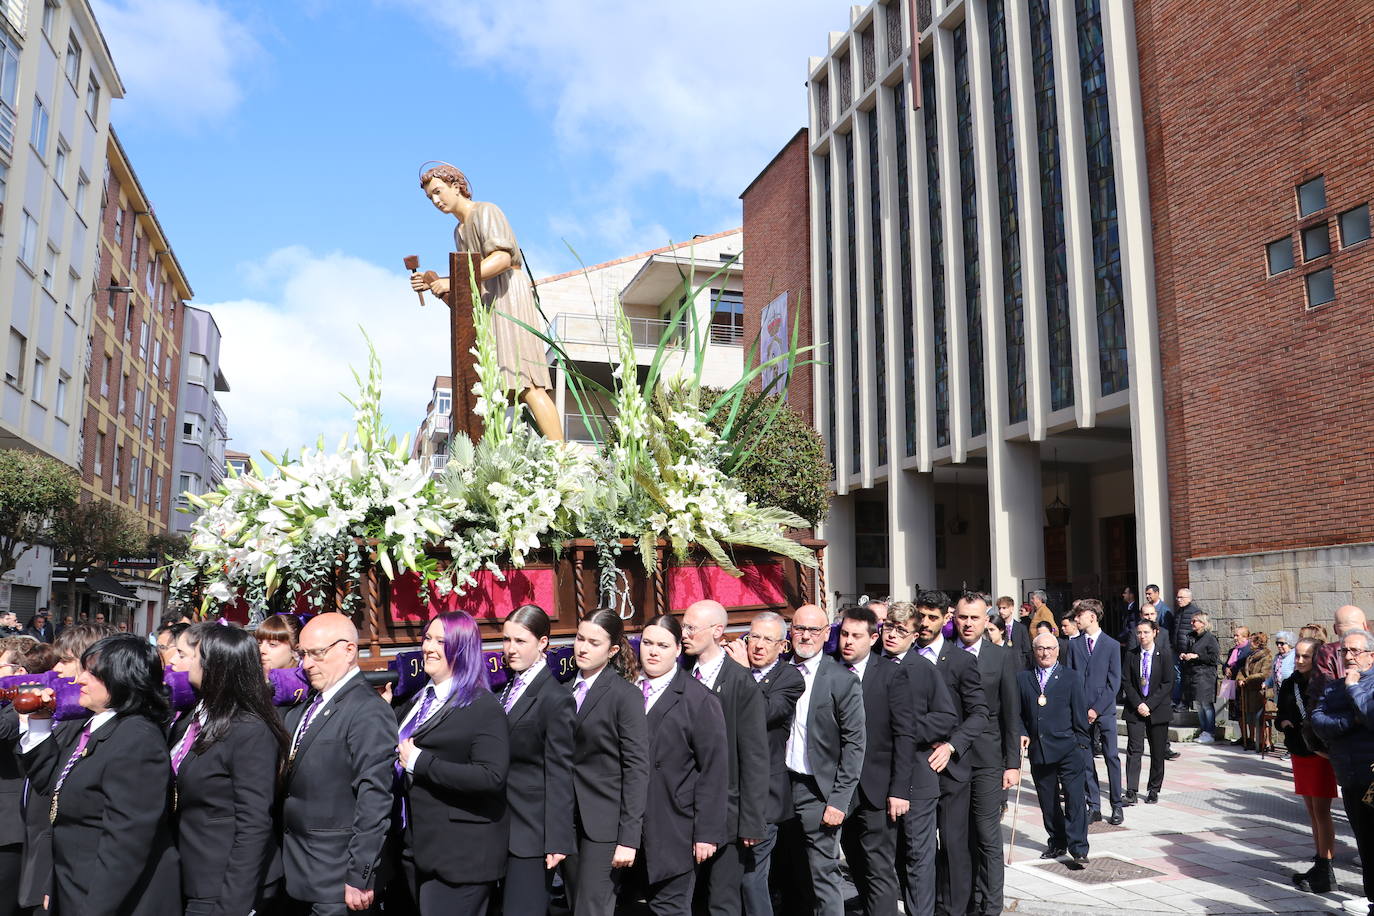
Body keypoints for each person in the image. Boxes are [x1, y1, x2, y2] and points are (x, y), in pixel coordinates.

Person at [11, 634, 181, 913]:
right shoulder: (96, 726)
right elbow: (53, 785)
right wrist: (40, 722)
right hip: (76, 884)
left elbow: (126, 845)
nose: (80, 679)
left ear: (123, 679)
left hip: (112, 898)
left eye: (93, 673)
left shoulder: (137, 739)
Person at [412, 162, 561, 440]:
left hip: (508, 296)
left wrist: (452, 281)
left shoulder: (486, 211)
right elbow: (469, 277)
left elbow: (502, 258)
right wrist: (435, 281)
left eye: (438, 191)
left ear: (456, 187)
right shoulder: (459, 231)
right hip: (488, 303)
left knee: (527, 383)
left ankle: (563, 458)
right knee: (494, 384)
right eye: (430, 197)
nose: (435, 200)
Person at [395, 611, 509, 915]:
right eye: (428, 638)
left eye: (441, 641)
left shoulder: (483, 706)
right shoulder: (419, 698)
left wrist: (421, 763)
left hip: (461, 857)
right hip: (419, 847)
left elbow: (491, 776)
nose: (429, 647)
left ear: (462, 649)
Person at [169, 622, 287, 915]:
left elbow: (254, 823)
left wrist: (233, 905)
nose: (173, 661)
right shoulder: (191, 719)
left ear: (214, 665)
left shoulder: (249, 730)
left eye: (185, 655)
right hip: (190, 876)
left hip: (224, 885)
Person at [281, 613, 397, 914]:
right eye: (302, 654)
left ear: (348, 650)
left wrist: (360, 873)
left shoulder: (367, 710)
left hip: (339, 878)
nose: (306, 664)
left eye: (317, 653)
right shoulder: (306, 708)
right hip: (300, 871)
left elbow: (375, 798)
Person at [4, 621, 116, 914]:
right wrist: (38, 719)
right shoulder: (66, 717)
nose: (56, 671)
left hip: (63, 867)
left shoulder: (85, 725)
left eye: (65, 661)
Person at [679, 599, 768, 915]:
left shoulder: (741, 681)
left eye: (692, 627)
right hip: (685, 810)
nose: (685, 634)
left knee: (723, 900)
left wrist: (752, 822)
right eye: (683, 626)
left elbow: (755, 756)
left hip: (728, 814)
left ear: (718, 631)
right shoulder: (681, 674)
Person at [635, 614, 728, 915]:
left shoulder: (698, 699)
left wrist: (706, 833)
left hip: (674, 826)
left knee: (670, 908)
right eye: (647, 643)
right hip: (629, 827)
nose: (652, 651)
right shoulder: (626, 691)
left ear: (677, 649)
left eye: (662, 645)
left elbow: (713, 770)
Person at [902, 590, 987, 916]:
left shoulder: (961, 661)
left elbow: (979, 713)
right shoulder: (900, 655)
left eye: (932, 617)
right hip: (911, 766)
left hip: (951, 768)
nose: (924, 623)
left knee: (953, 845)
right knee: (915, 847)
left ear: (945, 619)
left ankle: (954, 910)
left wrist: (952, 745)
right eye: (920, 616)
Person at [778, 604, 865, 916]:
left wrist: (839, 800)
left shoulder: (841, 680)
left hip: (818, 790)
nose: (806, 636)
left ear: (826, 634)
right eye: (800, 628)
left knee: (822, 873)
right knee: (787, 871)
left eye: (814, 630)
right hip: (780, 785)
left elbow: (855, 744)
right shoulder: (778, 670)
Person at [563, 608, 649, 914]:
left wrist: (629, 838)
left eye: (594, 642)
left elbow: (637, 768)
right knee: (575, 904)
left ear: (612, 650)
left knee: (592, 907)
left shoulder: (624, 695)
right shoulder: (563, 690)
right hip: (566, 820)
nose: (583, 648)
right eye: (579, 638)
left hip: (604, 824)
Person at [497, 605, 576, 915]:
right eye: (506, 640)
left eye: (520, 641)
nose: (510, 649)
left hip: (532, 833)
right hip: (500, 826)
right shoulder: (506, 688)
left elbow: (560, 771)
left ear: (543, 642)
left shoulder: (555, 698)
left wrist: (557, 839)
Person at [834, 605, 913, 916]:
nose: (848, 642)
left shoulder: (892, 674)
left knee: (878, 867)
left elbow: (904, 736)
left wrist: (900, 789)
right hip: (838, 788)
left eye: (856, 636)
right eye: (843, 634)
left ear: (873, 637)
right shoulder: (829, 670)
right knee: (852, 862)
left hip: (876, 789)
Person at [879, 601, 957, 916]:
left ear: (914, 635)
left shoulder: (924, 669)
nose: (892, 636)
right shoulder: (870, 663)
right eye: (888, 628)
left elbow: (946, 717)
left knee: (918, 856)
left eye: (901, 631)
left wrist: (903, 730)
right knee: (888, 855)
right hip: (880, 775)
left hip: (917, 776)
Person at [723, 611, 802, 916]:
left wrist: (742, 672)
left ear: (782, 646)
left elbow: (762, 713)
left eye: (768, 639)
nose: (757, 645)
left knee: (752, 878)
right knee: (727, 877)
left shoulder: (789, 678)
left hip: (764, 794)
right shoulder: (729, 668)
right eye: (753, 636)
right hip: (728, 788)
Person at [951, 593, 1021, 916]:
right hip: (952, 759)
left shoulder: (1001, 657)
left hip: (989, 759)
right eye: (963, 617)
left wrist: (1012, 764)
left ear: (986, 619)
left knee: (987, 835)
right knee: (958, 836)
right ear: (955, 617)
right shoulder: (945, 653)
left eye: (974, 618)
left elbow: (1011, 712)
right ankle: (966, 902)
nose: (967, 623)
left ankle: (991, 906)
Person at [1310, 628, 1374, 916]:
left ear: (1370, 656)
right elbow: (1318, 721)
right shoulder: (1334, 686)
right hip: (1348, 776)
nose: (1348, 656)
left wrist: (1353, 688)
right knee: (1365, 842)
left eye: (1355, 651)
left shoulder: (1365, 684)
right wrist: (1351, 721)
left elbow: (1371, 715)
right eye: (1344, 651)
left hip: (1372, 775)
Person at [1018, 633, 1090, 867]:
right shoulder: (1023, 678)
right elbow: (1017, 714)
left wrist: (1081, 745)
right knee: (1047, 800)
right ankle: (1057, 841)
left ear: (1058, 650)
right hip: (1040, 748)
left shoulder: (1071, 677)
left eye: (1050, 648)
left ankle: (1078, 847)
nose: (1045, 653)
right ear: (1034, 651)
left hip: (1069, 747)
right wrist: (1022, 732)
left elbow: (1080, 714)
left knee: (1074, 798)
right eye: (1040, 649)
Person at [1277, 637, 1338, 894]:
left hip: (1319, 754)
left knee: (1322, 810)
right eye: (1298, 656)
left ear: (1317, 658)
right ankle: (1318, 857)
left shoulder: (1324, 683)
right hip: (1298, 750)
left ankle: (1327, 865)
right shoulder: (1290, 682)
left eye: (1306, 656)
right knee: (1311, 810)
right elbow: (1281, 712)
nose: (1300, 661)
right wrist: (1285, 723)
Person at [1067, 599, 1124, 826]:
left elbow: (1114, 682)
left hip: (1105, 711)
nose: (1076, 619)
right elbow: (1071, 679)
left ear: (1091, 616)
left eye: (1079, 615)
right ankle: (1094, 805)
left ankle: (1117, 805)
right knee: (1085, 758)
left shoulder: (1111, 645)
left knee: (1111, 757)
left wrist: (1096, 709)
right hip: (1081, 712)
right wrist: (1080, 709)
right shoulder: (1073, 645)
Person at [1122, 619, 1173, 805]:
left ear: (1155, 633)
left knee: (1157, 751)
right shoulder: (1131, 654)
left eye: (1146, 632)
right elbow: (1126, 681)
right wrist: (1138, 704)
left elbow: (1168, 683)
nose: (1142, 636)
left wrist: (1149, 704)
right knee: (1134, 749)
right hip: (1136, 708)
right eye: (1139, 633)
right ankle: (1131, 790)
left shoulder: (1164, 654)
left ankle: (1153, 788)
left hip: (1157, 708)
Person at [1178, 613, 1220, 743]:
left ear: (1203, 623)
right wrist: (1185, 655)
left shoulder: (1210, 638)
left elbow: (1214, 659)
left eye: (1194, 621)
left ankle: (1210, 732)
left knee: (1206, 704)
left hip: (1206, 675)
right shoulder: (1192, 637)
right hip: (1194, 674)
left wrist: (1197, 656)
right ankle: (1204, 731)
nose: (1192, 624)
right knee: (1198, 705)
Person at [1237, 632, 1272, 751]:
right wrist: (1240, 678)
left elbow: (1264, 673)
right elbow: (1243, 670)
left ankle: (1265, 742)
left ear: (1258, 643)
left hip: (1259, 692)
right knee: (1250, 717)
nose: (1249, 643)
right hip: (1248, 691)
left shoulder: (1266, 657)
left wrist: (1247, 679)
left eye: (1251, 641)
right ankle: (1251, 740)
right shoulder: (1250, 656)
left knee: (1261, 718)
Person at [1171, 589, 1199, 710]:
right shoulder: (1178, 612)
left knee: (1187, 678)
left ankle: (1185, 702)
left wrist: (1191, 650)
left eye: (1181, 597)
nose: (1178, 600)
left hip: (1188, 651)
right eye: (1177, 597)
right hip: (1177, 650)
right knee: (1177, 676)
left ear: (1189, 598)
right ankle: (1177, 700)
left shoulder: (1195, 612)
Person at [995, 596, 1033, 671]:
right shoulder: (996, 628)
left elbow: (1027, 650)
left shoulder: (1021, 628)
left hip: (1019, 668)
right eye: (999, 608)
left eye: (1004, 608)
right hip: (1002, 668)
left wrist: (1024, 666)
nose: (1001, 611)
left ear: (1011, 608)